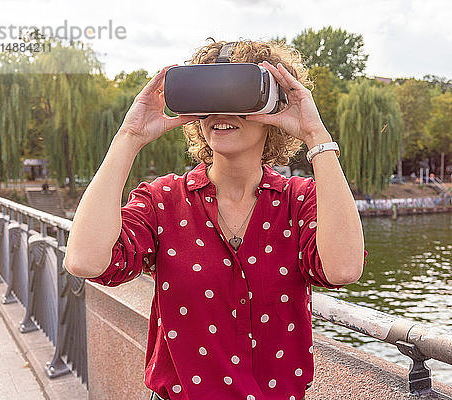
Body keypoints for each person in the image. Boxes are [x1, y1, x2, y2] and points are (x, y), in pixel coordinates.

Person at [64, 39, 367, 400]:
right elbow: (84, 260)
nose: (221, 111)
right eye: (208, 97)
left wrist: (317, 135)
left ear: (273, 105)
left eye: (237, 95)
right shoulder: (164, 200)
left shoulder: (299, 201)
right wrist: (128, 138)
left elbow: (344, 269)